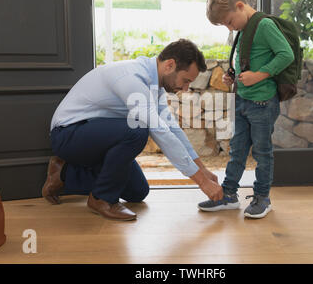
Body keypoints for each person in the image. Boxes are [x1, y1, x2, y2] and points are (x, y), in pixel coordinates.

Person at [42, 39, 223, 221]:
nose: (186, 88)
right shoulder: (132, 78)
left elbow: (171, 129)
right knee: (137, 130)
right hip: (68, 133)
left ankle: (64, 173)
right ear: (170, 65)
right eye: (185, 80)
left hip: (96, 138)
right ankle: (102, 199)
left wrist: (203, 170)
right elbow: (160, 132)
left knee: (138, 191)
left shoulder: (155, 86)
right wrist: (201, 182)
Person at [198, 0, 294, 219]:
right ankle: (229, 194)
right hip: (242, 100)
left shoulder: (264, 25)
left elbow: (286, 54)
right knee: (237, 150)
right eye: (225, 26)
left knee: (262, 152)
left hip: (262, 102)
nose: (230, 28)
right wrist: (234, 75)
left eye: (229, 22)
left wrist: (259, 75)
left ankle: (263, 197)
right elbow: (249, 59)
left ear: (240, 6)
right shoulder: (244, 28)